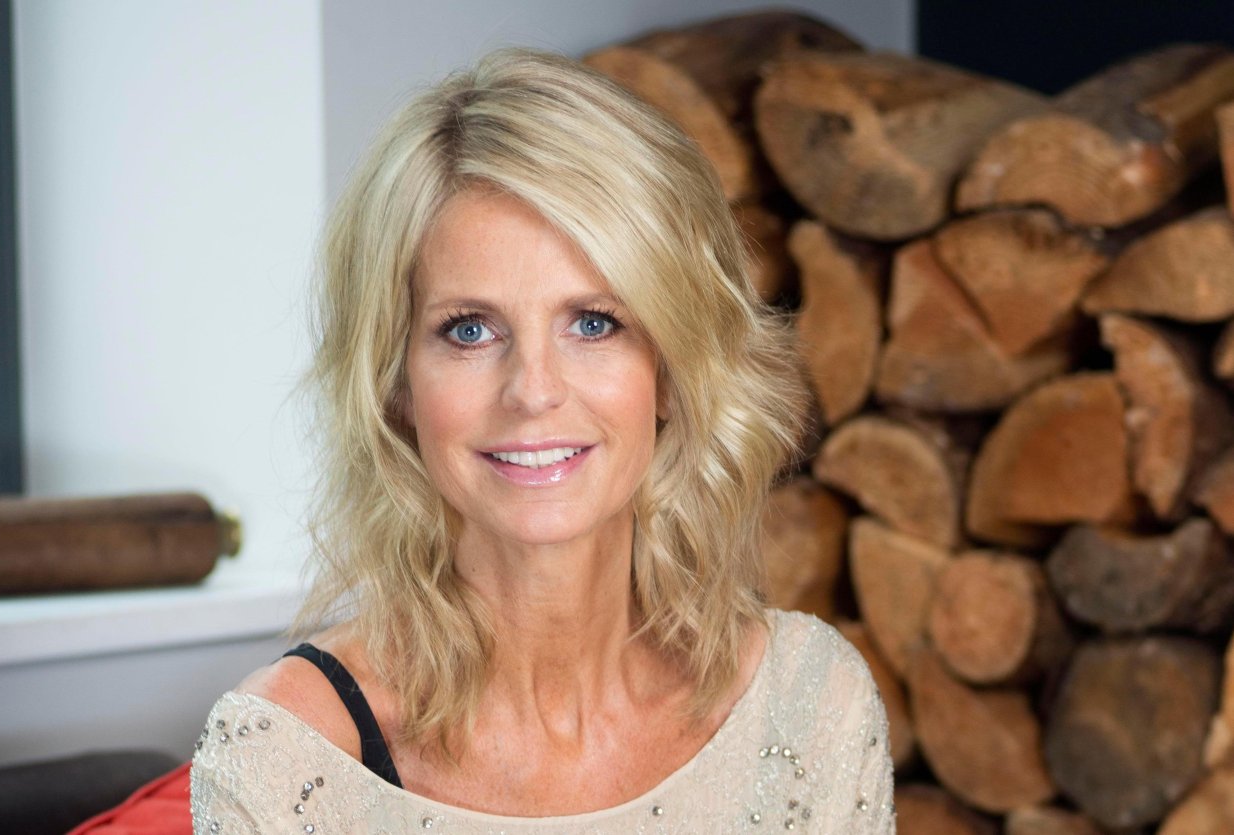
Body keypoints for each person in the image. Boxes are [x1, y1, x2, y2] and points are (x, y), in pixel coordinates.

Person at [190, 48, 894, 833]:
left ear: (671, 370)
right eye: (469, 329)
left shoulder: (808, 704)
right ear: (395, 383)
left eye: (593, 323)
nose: (533, 390)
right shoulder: (289, 753)